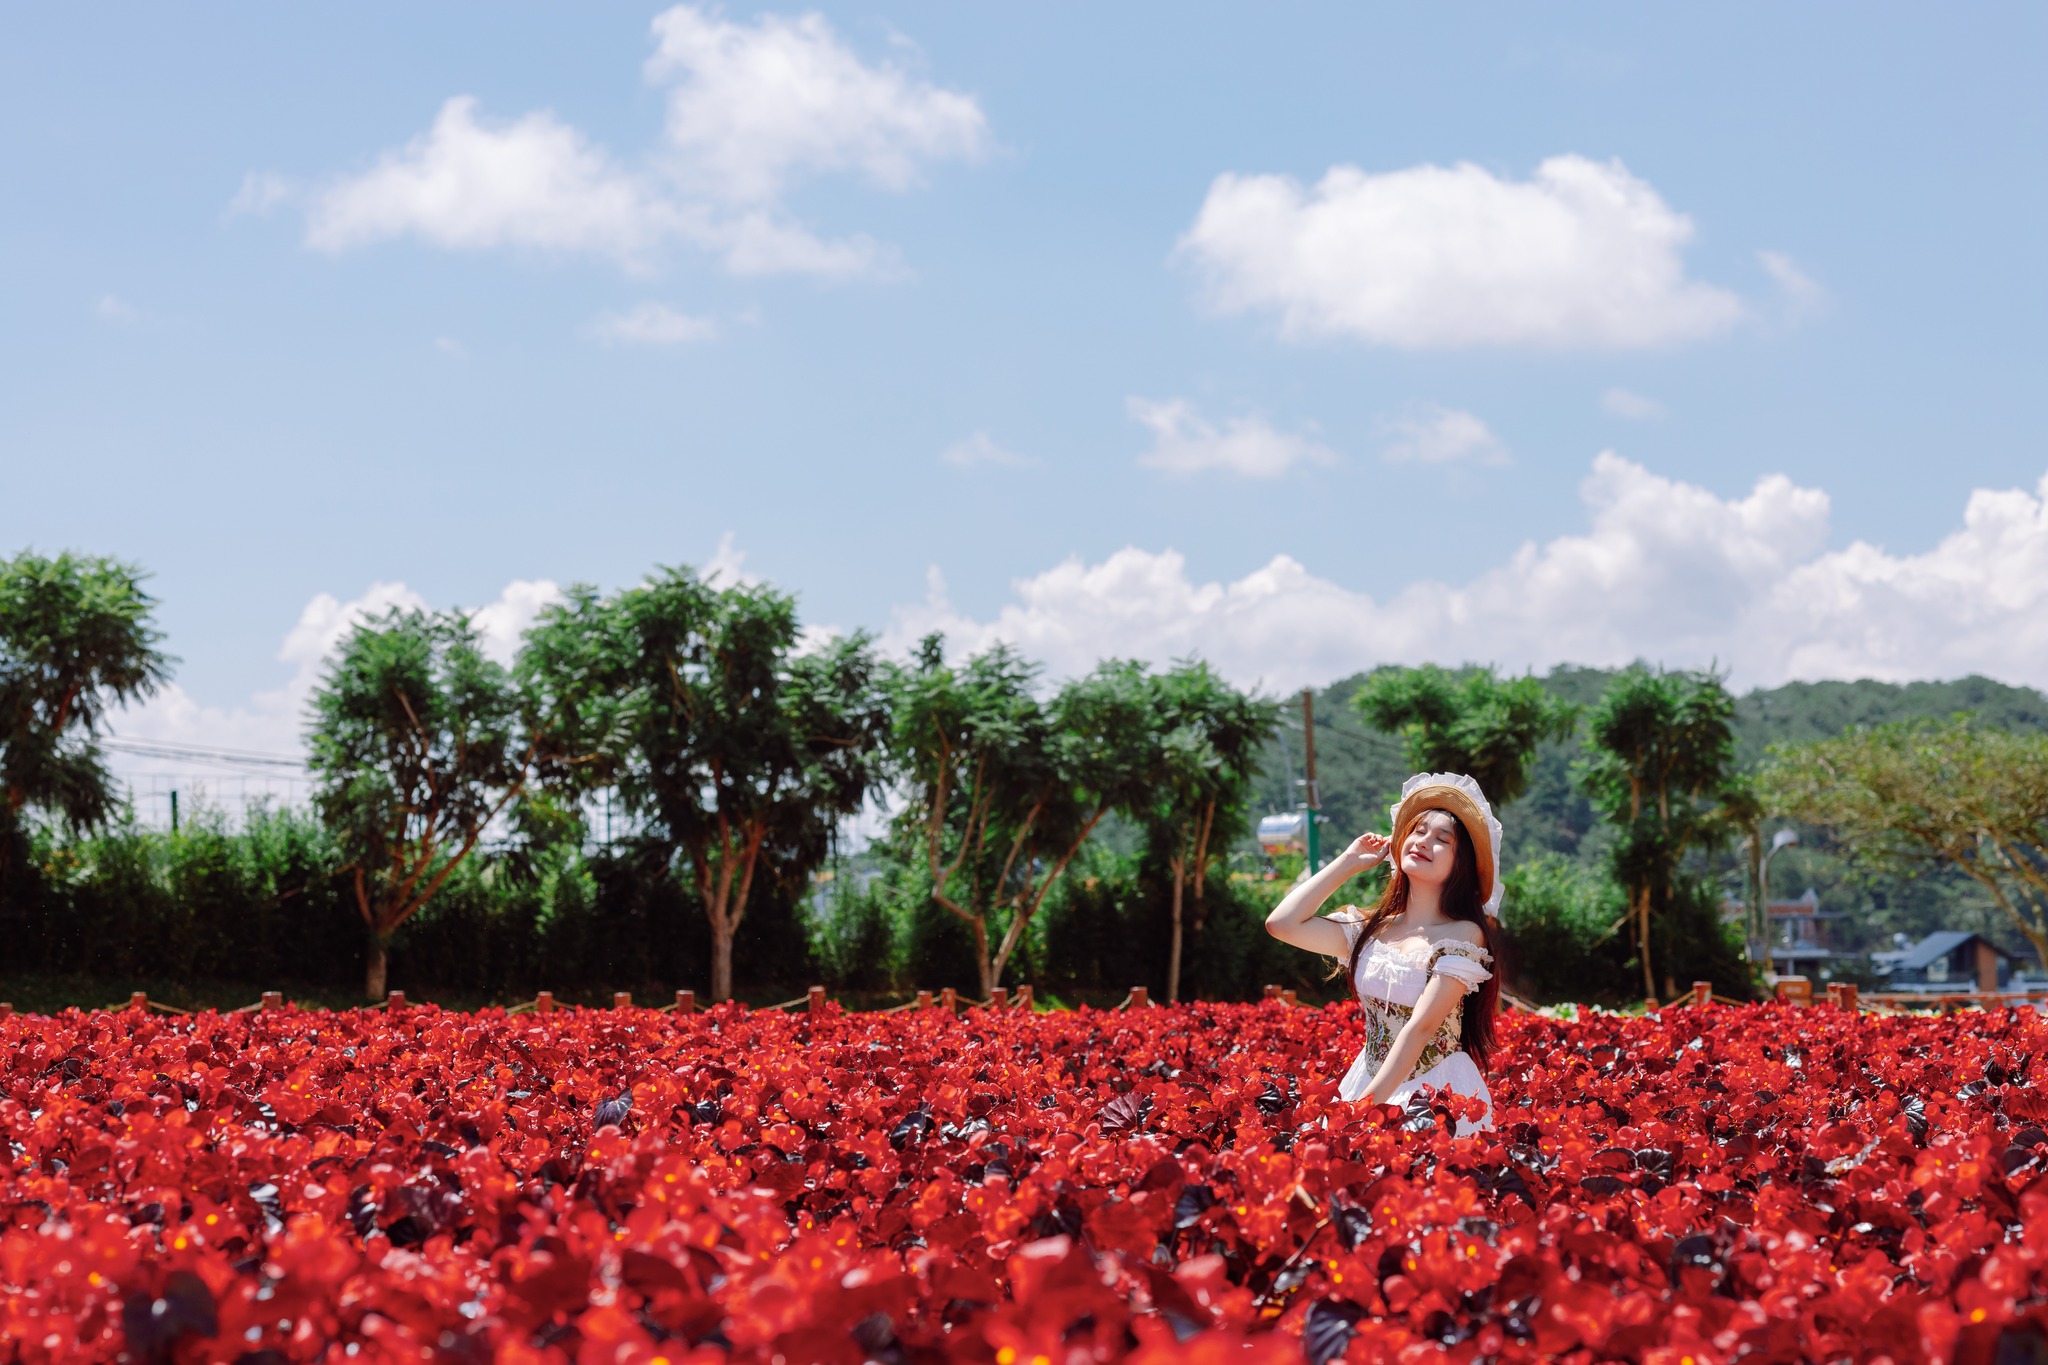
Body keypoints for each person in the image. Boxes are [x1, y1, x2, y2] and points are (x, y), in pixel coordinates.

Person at [1264, 772, 1503, 1135]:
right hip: (1367, 1078)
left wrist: (1365, 1108)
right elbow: (1282, 924)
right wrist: (1348, 861)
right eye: (1418, 831)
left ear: (1461, 865)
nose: (1423, 841)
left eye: (1442, 839)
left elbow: (1420, 1029)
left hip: (1435, 1093)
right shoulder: (1371, 930)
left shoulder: (1463, 936)